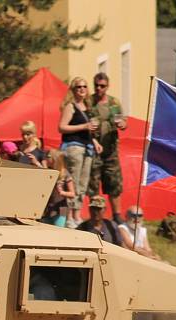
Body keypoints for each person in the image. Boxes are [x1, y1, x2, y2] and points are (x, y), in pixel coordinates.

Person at [59, 76, 102, 228]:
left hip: (87, 148)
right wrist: (83, 126)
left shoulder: (87, 107)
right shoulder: (70, 107)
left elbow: (89, 130)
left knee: (83, 184)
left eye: (84, 86)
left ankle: (77, 214)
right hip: (74, 147)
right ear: (73, 90)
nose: (82, 89)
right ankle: (69, 216)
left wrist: (95, 142)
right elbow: (62, 127)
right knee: (73, 182)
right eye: (78, 87)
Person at [87, 72, 128, 224]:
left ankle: (117, 216)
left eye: (102, 86)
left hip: (111, 150)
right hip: (93, 149)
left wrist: (122, 124)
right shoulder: (89, 102)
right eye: (97, 85)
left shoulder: (114, 102)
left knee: (114, 183)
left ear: (107, 86)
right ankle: (96, 217)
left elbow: (123, 121)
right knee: (94, 184)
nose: (99, 89)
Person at [41, 153, 76, 227]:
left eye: (48, 157)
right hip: (47, 208)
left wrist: (62, 192)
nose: (46, 159)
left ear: (54, 159)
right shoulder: (49, 171)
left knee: (58, 230)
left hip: (62, 208)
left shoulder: (65, 173)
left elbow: (72, 194)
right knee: (44, 230)